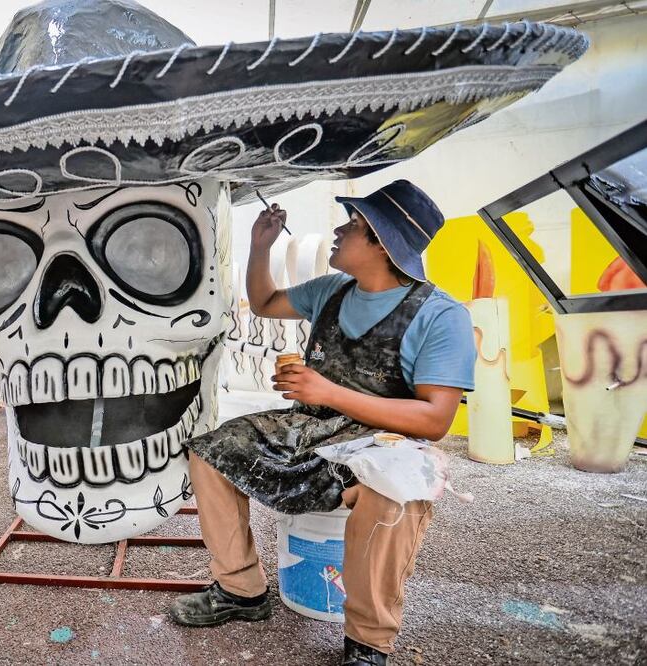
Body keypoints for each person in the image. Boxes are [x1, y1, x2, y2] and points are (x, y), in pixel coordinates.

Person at [167, 180, 477, 666]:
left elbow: (435, 419)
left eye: (352, 225)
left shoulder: (441, 316)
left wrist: (326, 391)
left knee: (395, 493)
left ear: (382, 241)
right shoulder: (332, 290)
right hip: (310, 428)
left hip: (384, 442)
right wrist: (260, 245)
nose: (337, 231)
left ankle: (368, 641)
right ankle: (241, 590)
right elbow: (266, 301)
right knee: (210, 451)